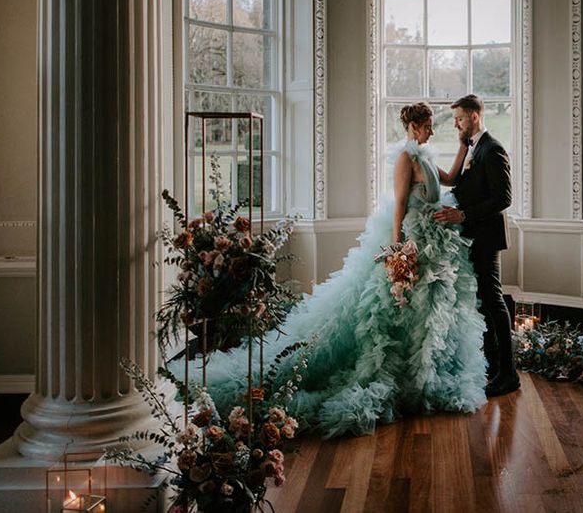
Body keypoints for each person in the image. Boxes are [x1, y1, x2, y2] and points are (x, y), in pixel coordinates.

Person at [199, 102, 487, 438]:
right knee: (389, 312)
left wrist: (465, 148)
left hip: (433, 244)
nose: (432, 130)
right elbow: (400, 206)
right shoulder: (405, 159)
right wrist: (397, 248)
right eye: (427, 125)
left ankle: (421, 376)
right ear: (414, 126)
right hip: (411, 241)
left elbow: (449, 180)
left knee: (424, 313)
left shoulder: (424, 154)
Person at [433, 94, 519, 397]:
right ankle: (495, 369)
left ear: (474, 117)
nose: (456, 124)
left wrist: (463, 214)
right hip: (474, 235)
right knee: (485, 301)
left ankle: (509, 375)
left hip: (487, 236)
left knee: (494, 301)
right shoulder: (474, 148)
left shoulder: (492, 149)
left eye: (459, 118)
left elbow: (503, 198)